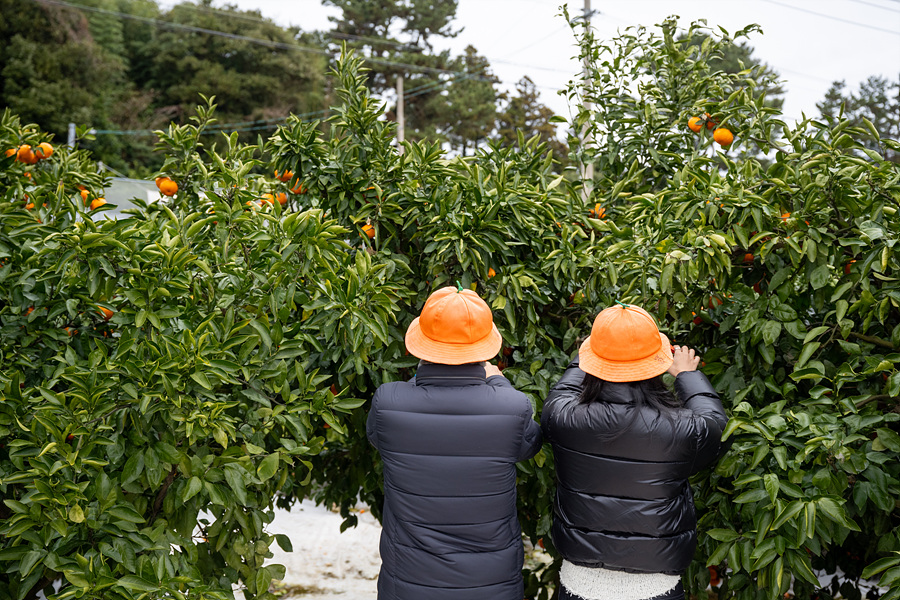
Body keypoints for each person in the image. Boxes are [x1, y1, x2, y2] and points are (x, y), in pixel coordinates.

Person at [541, 302, 729, 600]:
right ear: (655, 363)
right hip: (655, 586)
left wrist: (597, 352)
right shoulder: (681, 430)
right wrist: (686, 376)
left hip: (580, 583)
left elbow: (563, 391)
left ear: (592, 363)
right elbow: (716, 426)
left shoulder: (563, 418)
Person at [366, 284, 543, 600]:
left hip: (409, 583)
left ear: (421, 347)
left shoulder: (388, 403)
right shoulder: (512, 406)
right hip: (490, 585)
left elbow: (382, 434)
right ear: (484, 350)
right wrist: (496, 380)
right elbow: (529, 444)